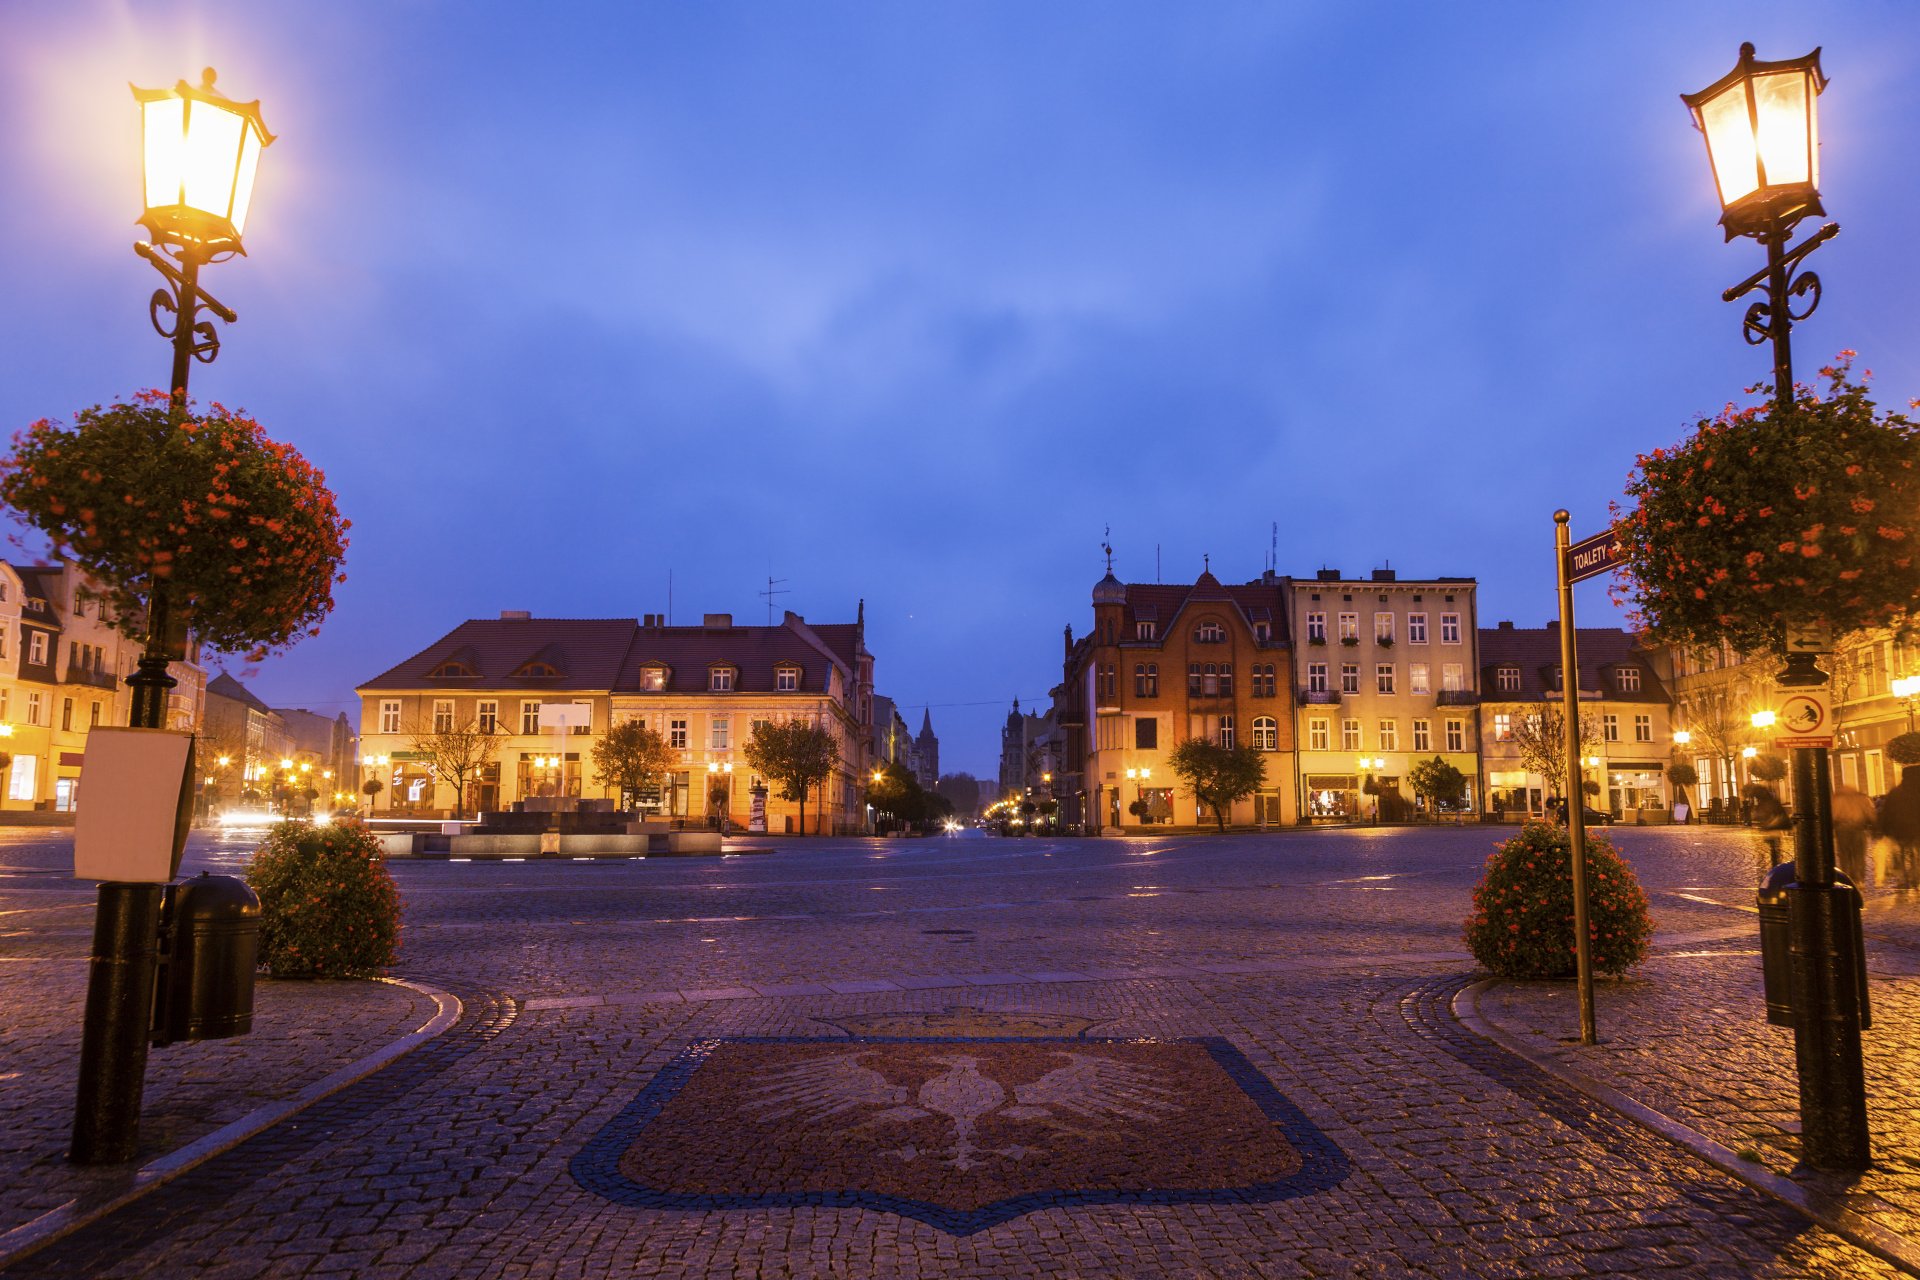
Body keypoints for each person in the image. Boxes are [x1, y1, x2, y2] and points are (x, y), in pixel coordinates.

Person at [1881, 766, 1920, 889]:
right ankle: (1916, 877)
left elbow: (1886, 812)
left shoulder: (1896, 792)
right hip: (1917, 830)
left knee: (1899, 856)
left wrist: (1885, 829)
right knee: (1917, 854)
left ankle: (1902, 879)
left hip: (1900, 831)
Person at [1831, 781, 1875, 886]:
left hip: (1842, 830)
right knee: (1859, 856)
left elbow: (1832, 815)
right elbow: (1870, 814)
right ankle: (1859, 880)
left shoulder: (1836, 799)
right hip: (1858, 829)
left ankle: (1847, 879)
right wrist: (1873, 825)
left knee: (1845, 856)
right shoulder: (1861, 798)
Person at [1744, 783, 1790, 868]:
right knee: (1774, 848)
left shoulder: (1765, 802)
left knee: (1774, 848)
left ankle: (1775, 864)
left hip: (1773, 827)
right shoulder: (1769, 800)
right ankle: (1775, 863)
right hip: (1773, 827)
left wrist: (1767, 822)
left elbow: (1765, 815)